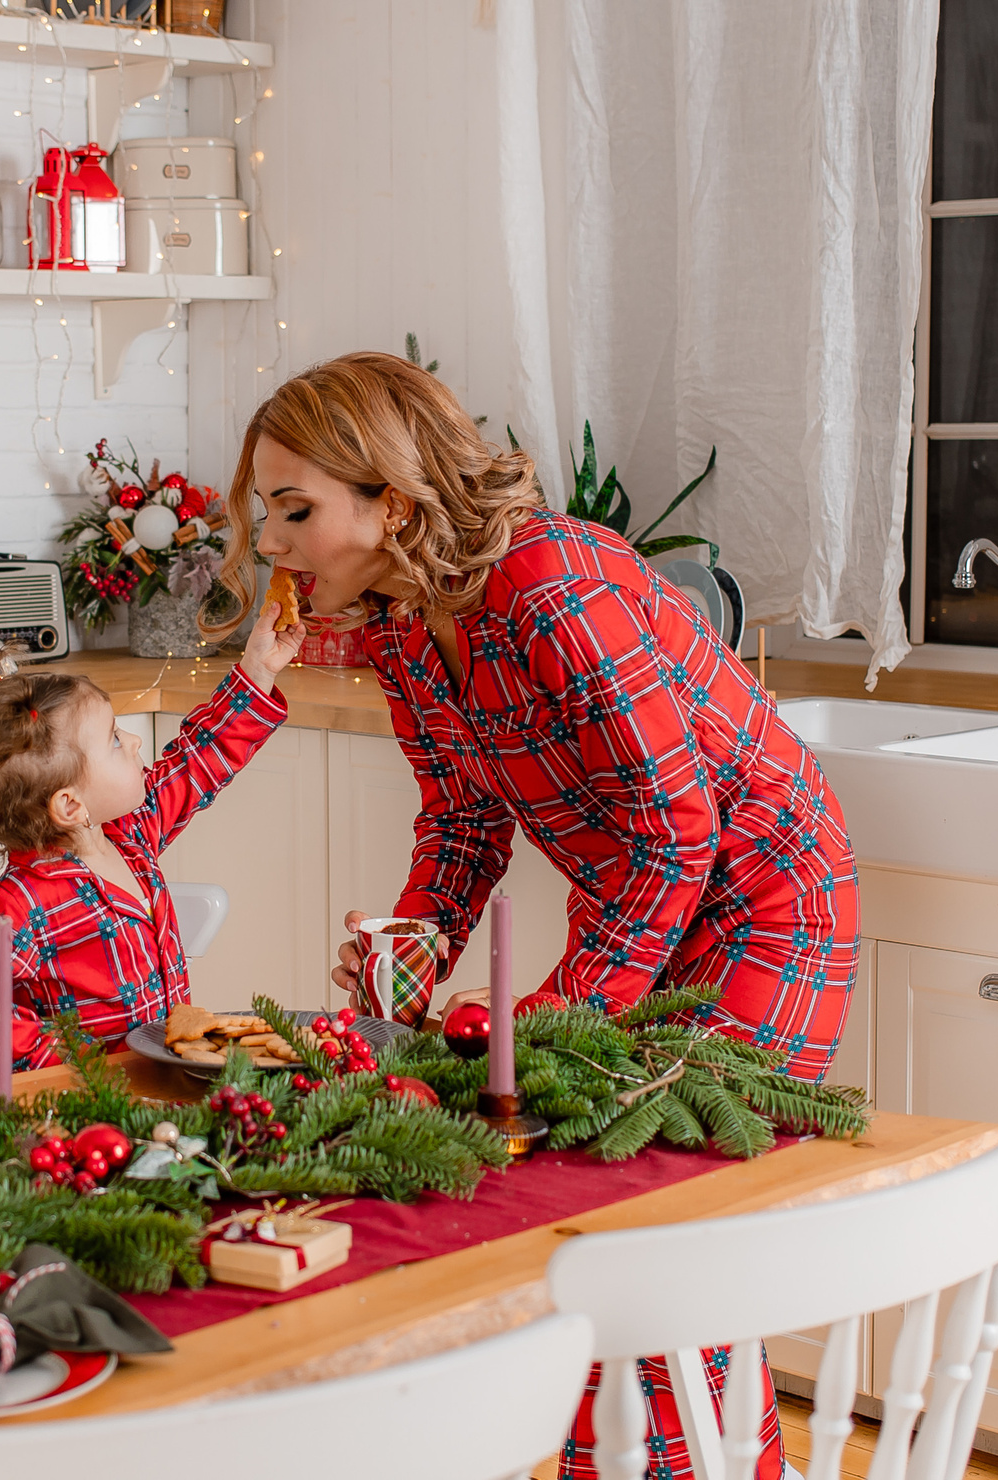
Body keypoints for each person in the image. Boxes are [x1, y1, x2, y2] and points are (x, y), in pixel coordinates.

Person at [212, 350, 860, 1480]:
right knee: (594, 1210)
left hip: (764, 906)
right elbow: (463, 820)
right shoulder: (398, 625)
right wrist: (407, 961)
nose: (269, 539)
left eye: (294, 507)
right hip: (644, 902)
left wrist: (555, 1023)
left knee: (661, 1215)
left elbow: (675, 832)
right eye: (265, 510)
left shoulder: (552, 582)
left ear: (391, 502)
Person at [0, 613, 306, 1070]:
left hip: (164, 1083)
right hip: (96, 1113)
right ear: (70, 805)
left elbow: (198, 760)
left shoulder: (127, 835)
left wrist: (257, 672)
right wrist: (61, 1064)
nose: (136, 740)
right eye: (115, 739)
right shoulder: (27, 900)